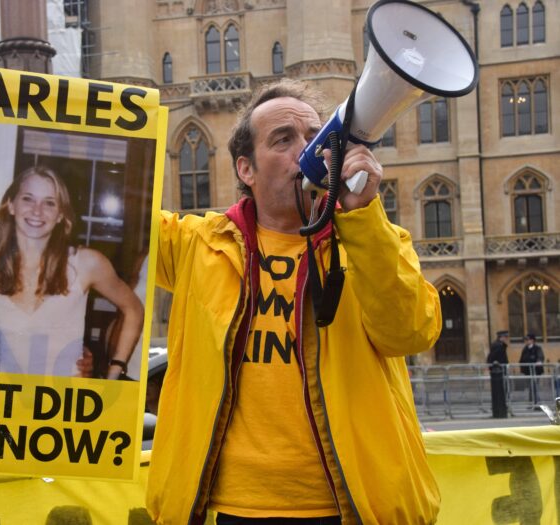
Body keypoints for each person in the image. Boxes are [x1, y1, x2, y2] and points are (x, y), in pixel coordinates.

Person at [146, 79, 442, 524]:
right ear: (246, 169)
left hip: (351, 509)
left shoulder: (376, 240)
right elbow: (112, 215)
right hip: (230, 509)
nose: (308, 151)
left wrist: (362, 216)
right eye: (283, 139)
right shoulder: (195, 244)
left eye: (315, 137)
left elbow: (411, 332)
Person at [0, 166, 144, 379]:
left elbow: (134, 309)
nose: (37, 210)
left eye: (49, 203)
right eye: (28, 199)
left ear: (60, 214)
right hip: (5, 400)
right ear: (11, 205)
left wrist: (115, 371)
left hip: (65, 402)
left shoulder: (85, 263)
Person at [519, 333, 544, 404]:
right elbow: (522, 359)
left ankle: (536, 402)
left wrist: (539, 361)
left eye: (528, 340)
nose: (526, 341)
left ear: (532, 340)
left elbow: (540, 356)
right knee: (530, 387)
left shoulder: (537, 348)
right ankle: (532, 402)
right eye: (525, 340)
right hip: (528, 372)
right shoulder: (525, 349)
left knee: (534, 386)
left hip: (536, 371)